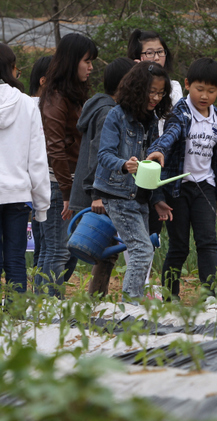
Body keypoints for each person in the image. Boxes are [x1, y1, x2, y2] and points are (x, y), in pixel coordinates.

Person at [146, 58, 217, 300]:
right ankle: (170, 297)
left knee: (208, 242)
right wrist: (160, 150)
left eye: (211, 91)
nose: (204, 96)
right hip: (178, 188)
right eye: (199, 89)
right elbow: (171, 134)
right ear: (187, 85)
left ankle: (210, 296)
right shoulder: (181, 113)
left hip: (205, 187)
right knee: (179, 246)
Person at [93, 61, 173, 304]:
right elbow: (103, 154)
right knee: (141, 251)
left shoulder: (151, 119)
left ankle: (132, 305)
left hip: (141, 197)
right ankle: (130, 308)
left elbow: (152, 161)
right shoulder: (115, 115)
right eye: (152, 91)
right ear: (138, 88)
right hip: (118, 195)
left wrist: (158, 199)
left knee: (143, 252)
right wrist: (123, 164)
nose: (156, 98)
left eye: (161, 93)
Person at [37, 33, 98, 297]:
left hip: (71, 182)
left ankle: (42, 303)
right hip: (56, 183)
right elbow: (55, 147)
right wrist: (65, 192)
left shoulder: (73, 94)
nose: (91, 67)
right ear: (73, 61)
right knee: (58, 250)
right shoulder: (55, 97)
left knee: (64, 250)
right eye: (87, 61)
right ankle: (47, 308)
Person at [69, 57, 135, 296]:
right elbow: (98, 156)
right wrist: (97, 194)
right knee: (102, 251)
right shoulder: (109, 112)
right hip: (98, 194)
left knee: (104, 250)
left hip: (94, 190)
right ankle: (94, 299)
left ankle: (96, 297)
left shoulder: (100, 106)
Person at [127, 29, 183, 287]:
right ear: (137, 58)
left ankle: (151, 287)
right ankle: (140, 285)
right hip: (135, 162)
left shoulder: (173, 88)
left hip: (162, 163)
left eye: (159, 51)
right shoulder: (132, 87)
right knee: (138, 228)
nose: (156, 56)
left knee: (156, 228)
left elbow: (176, 123)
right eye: (149, 52)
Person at [0, 43, 50, 294]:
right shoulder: (27, 105)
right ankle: (15, 320)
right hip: (18, 194)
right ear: (10, 68)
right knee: (15, 259)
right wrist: (42, 206)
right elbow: (38, 160)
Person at [29, 55, 53, 269]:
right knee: (50, 247)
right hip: (43, 182)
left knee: (43, 246)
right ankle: (42, 296)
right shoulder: (35, 107)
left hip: (30, 186)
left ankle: (38, 294)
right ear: (43, 81)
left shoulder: (23, 103)